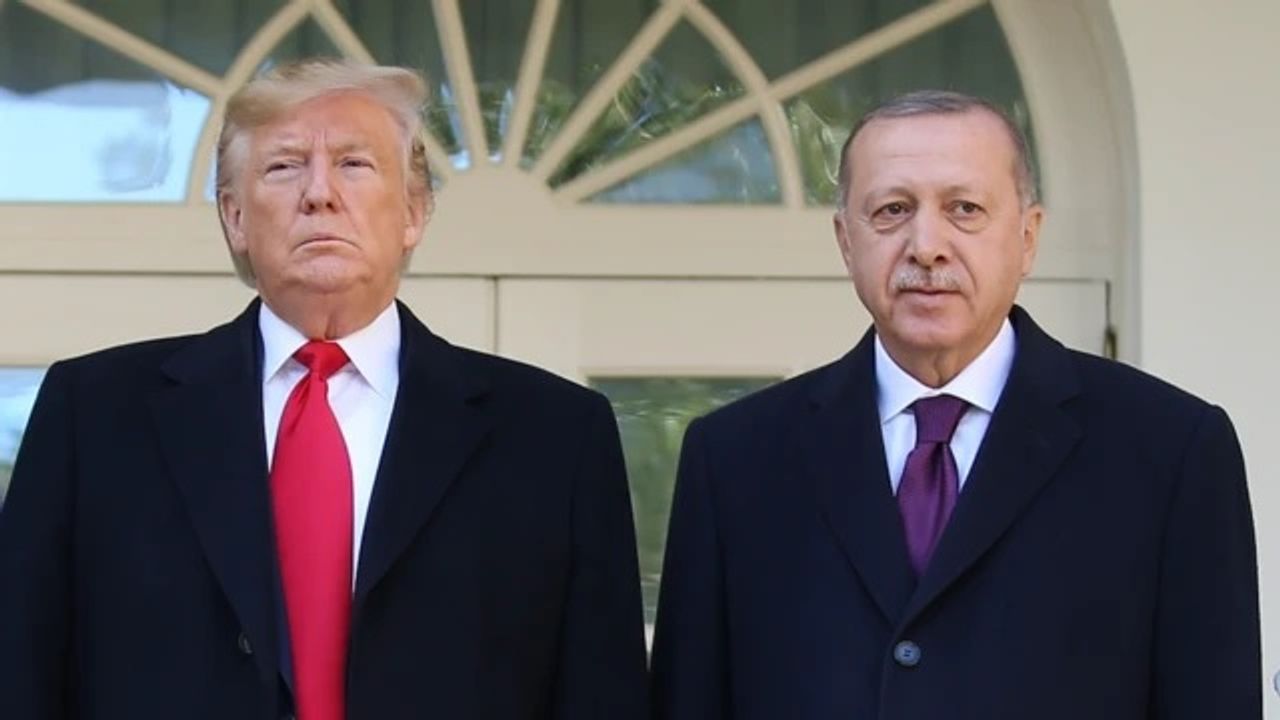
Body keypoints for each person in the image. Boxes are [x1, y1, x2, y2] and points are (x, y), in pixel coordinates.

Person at [0, 59, 648, 719]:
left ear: (413, 213)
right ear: (234, 218)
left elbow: (602, 696)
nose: (319, 193)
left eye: (354, 164)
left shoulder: (555, 435)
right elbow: (19, 672)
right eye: (284, 166)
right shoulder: (95, 414)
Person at [650, 90, 1260, 719]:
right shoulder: (734, 460)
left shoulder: (1171, 451)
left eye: (964, 209)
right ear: (846, 241)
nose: (926, 246)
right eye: (892, 210)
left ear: (1028, 237)